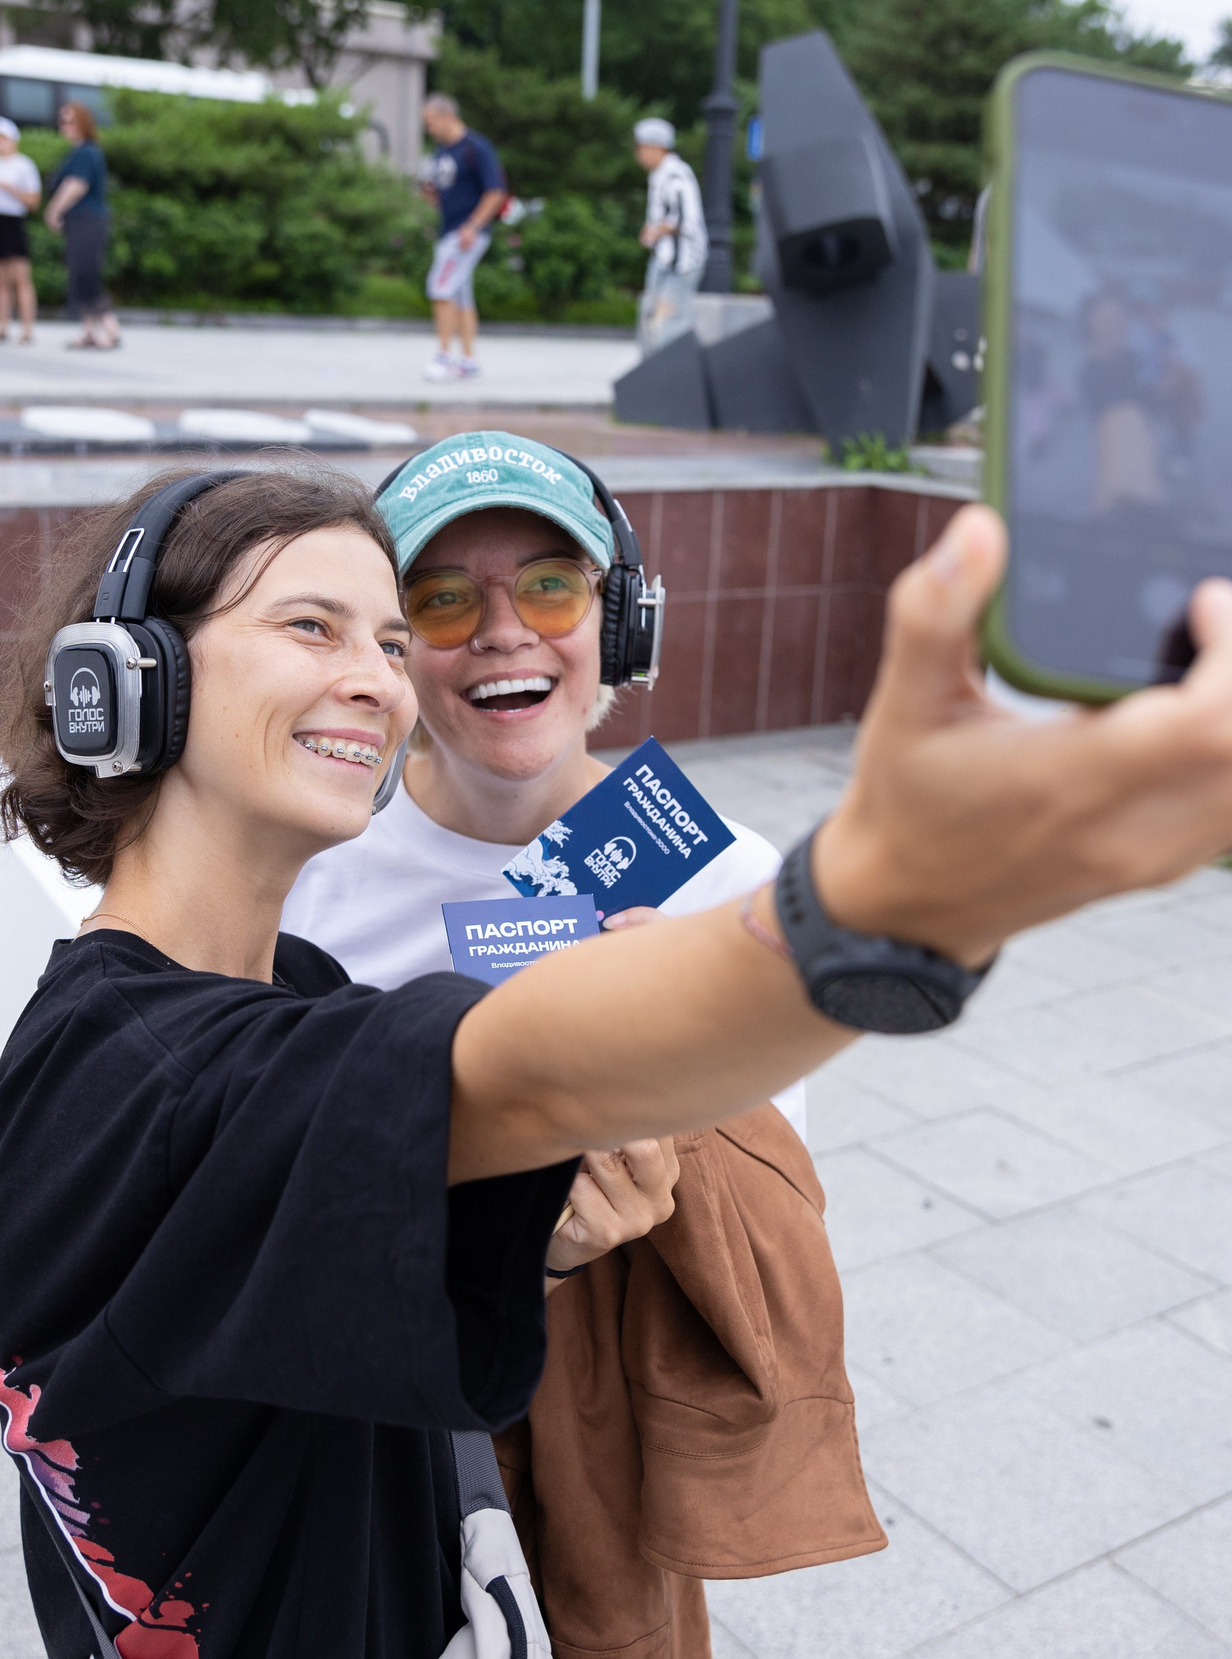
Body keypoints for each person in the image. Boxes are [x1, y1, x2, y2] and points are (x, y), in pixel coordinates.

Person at [0, 453, 1232, 1656]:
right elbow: (517, 1073)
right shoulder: (136, 1077)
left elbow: (300, 1259)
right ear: (127, 679)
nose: (386, 677)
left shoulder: (263, 990)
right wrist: (903, 891)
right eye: (319, 627)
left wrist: (547, 1242)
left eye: (386, 640)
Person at [282, 433, 877, 1655]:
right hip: (387, 1425)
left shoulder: (736, 888)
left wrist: (674, 1080)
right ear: (393, 654)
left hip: (616, 1458)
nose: (504, 631)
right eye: (441, 600)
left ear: (620, 622)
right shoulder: (310, 881)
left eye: (551, 586)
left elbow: (774, 1216)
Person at [418, 94, 506, 383]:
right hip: (448, 231)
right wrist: (431, 198)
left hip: (465, 233)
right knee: (460, 295)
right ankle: (468, 360)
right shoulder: (441, 152)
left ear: (445, 116)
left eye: (430, 122)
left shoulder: (476, 147)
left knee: (440, 289)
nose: (428, 128)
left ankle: (444, 357)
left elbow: (495, 191)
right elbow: (443, 192)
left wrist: (473, 226)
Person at [42, 102, 120, 351]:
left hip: (88, 219)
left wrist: (54, 209)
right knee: (78, 273)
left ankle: (111, 329)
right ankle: (89, 330)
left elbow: (76, 185)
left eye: (71, 121)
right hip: (79, 219)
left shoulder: (87, 152)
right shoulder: (78, 152)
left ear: (84, 123)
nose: (65, 126)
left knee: (87, 273)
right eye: (63, 121)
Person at [633, 118, 705, 352]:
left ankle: (671, 378)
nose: (638, 155)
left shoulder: (676, 174)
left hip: (681, 263)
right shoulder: (660, 174)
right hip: (664, 258)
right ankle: (652, 373)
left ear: (656, 147)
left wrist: (655, 231)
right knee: (650, 317)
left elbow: (685, 218)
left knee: (669, 323)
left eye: (641, 148)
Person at [0, 116, 41, 345]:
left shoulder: (24, 165)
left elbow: (33, 201)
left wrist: (7, 187)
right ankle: (2, 326)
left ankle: (27, 329)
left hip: (14, 221)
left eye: (1, 138)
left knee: (20, 278)